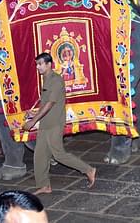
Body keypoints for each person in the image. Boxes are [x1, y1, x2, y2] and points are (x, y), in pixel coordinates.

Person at [22, 53, 95, 194]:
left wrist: (33, 120)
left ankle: (89, 170)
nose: (38, 67)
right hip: (45, 122)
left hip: (54, 122)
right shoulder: (46, 78)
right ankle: (44, 185)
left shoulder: (56, 80)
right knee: (40, 155)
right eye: (37, 64)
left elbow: (50, 103)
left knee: (58, 154)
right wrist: (34, 113)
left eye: (40, 64)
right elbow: (45, 103)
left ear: (49, 64)